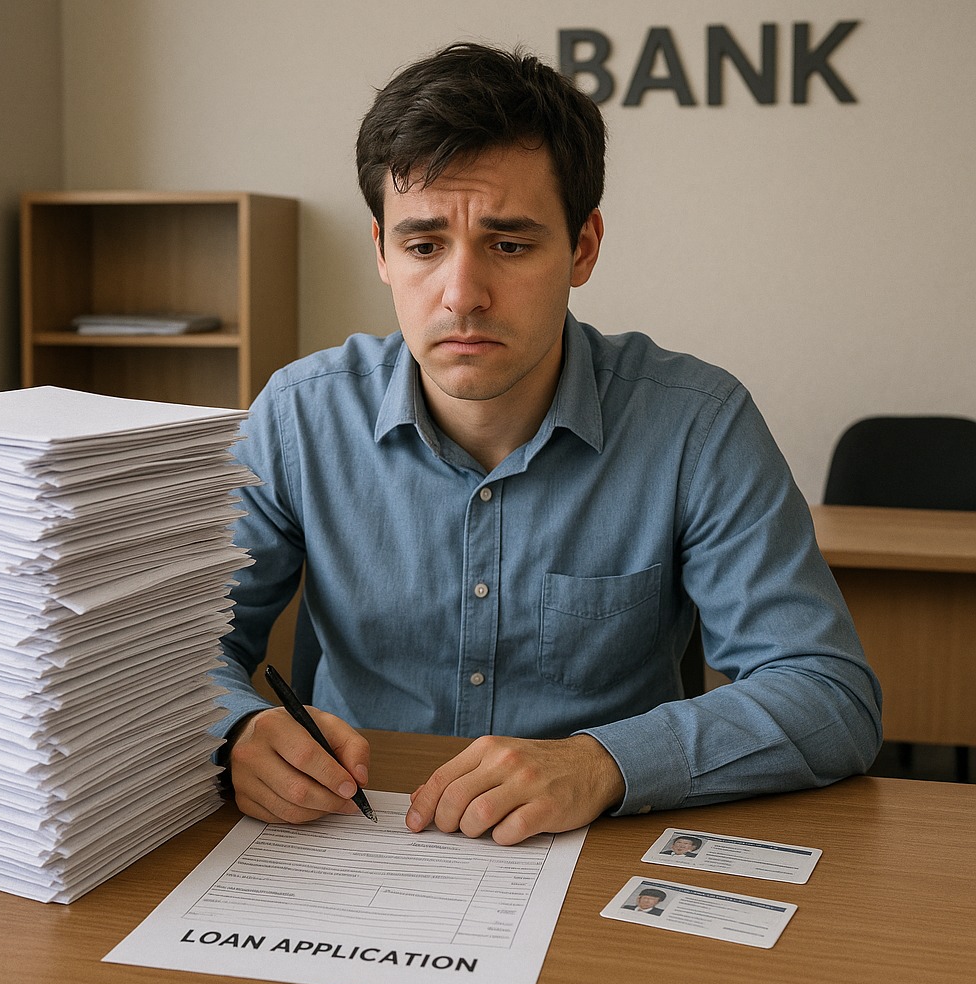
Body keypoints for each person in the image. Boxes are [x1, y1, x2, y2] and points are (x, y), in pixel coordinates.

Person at [212, 41, 882, 847]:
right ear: (383, 253)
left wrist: (602, 763)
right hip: (352, 842)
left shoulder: (696, 423)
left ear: (584, 248)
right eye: (424, 246)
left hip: (595, 853)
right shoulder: (298, 416)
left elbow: (828, 694)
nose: (462, 295)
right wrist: (236, 732)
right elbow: (170, 655)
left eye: (510, 244)